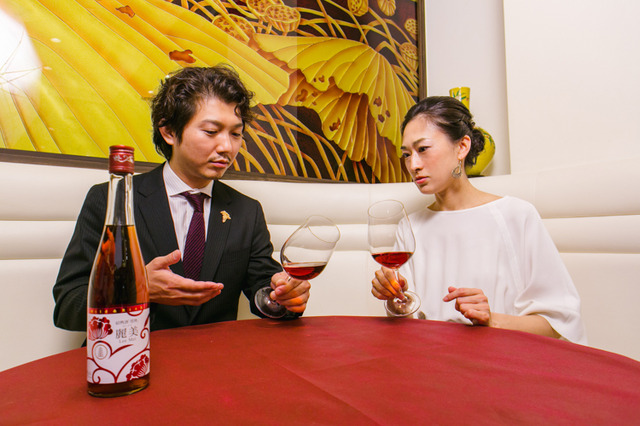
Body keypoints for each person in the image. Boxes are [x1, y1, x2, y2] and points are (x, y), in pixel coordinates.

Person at [53, 65, 310, 332]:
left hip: (214, 355)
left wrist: (283, 298)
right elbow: (68, 306)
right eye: (211, 131)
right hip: (132, 352)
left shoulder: (247, 211)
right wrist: (137, 287)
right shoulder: (111, 199)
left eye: (235, 134)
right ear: (169, 132)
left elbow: (265, 291)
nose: (227, 147)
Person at [371, 96, 586, 343]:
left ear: (462, 147)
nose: (413, 165)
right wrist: (394, 300)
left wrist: (491, 320)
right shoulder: (410, 226)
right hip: (429, 359)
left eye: (423, 149)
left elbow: (559, 323)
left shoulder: (516, 216)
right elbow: (408, 323)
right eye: (407, 154)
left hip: (498, 359)